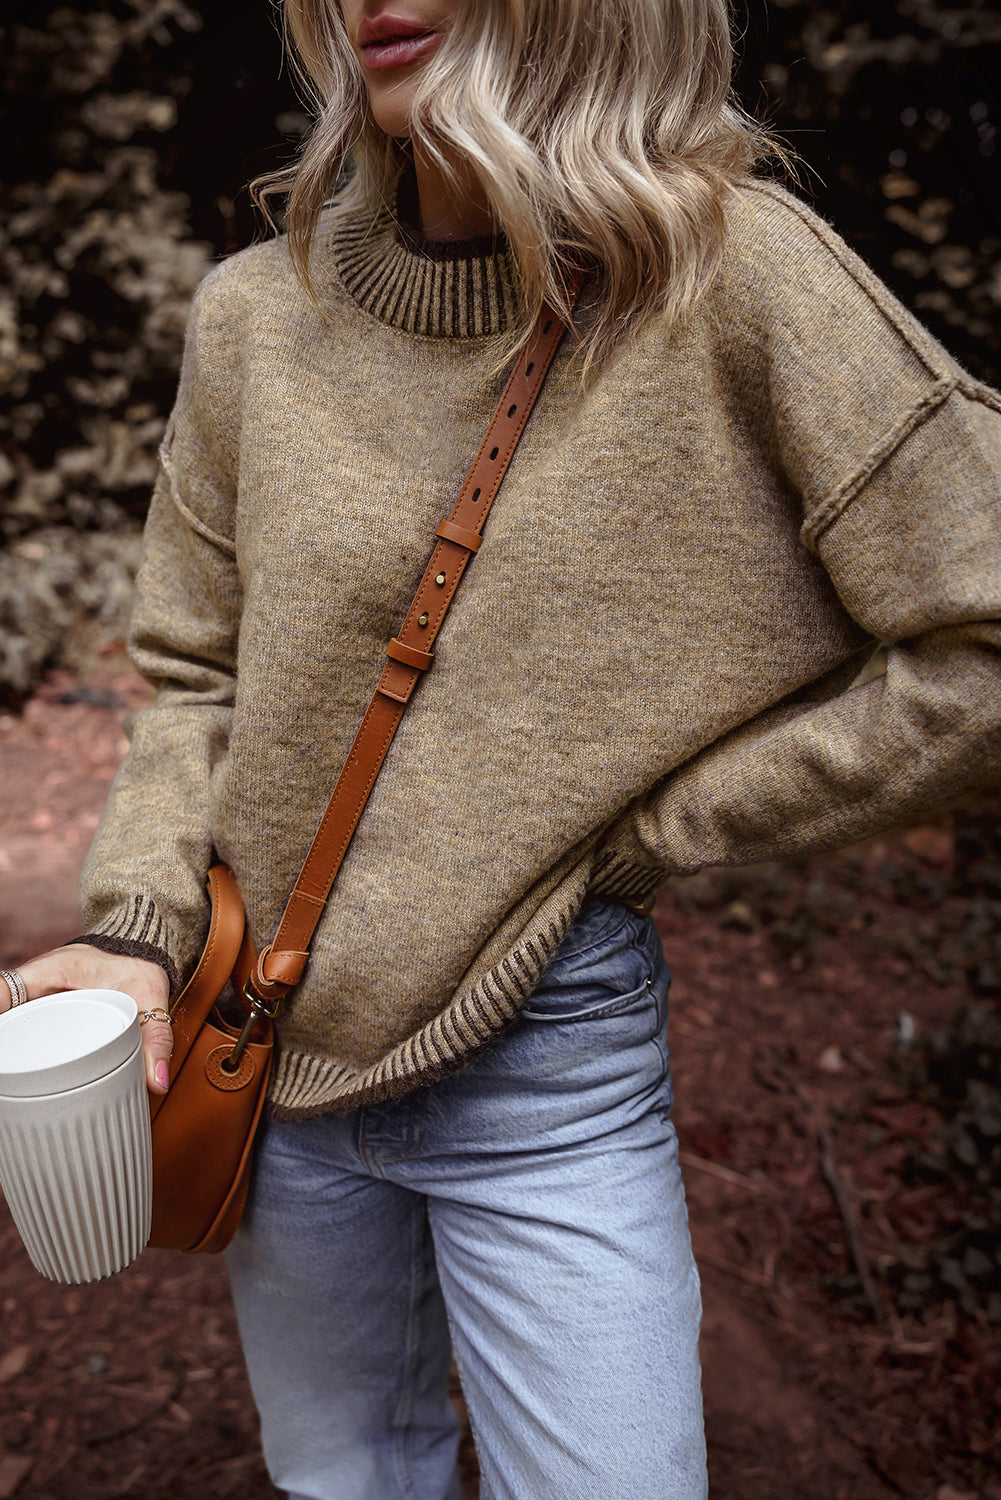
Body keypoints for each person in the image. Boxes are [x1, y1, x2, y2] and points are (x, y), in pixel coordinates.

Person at [5, 0, 1001, 1495]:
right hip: (258, 1043)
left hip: (545, 1058)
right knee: (344, 1477)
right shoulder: (252, 318)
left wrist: (655, 829)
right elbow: (190, 670)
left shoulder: (740, 283)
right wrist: (139, 928)